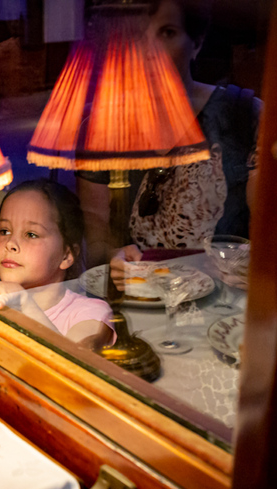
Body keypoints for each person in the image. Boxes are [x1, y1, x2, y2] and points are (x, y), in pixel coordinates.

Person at [76, 0, 262, 287]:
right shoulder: (101, 129)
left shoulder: (243, 116)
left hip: (225, 308)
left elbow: (273, 236)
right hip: (140, 303)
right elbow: (98, 242)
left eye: (167, 33)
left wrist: (254, 267)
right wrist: (112, 258)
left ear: (196, 43)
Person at [0, 179, 116, 349]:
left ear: (67, 255)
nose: (10, 244)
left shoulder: (91, 313)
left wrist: (26, 303)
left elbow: (77, 364)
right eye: (4, 231)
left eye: (31, 234)